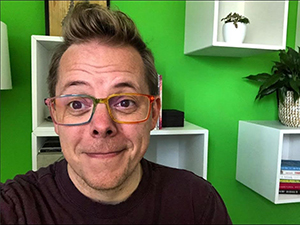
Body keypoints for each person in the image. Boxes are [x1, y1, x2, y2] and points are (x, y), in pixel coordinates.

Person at [0, 2, 232, 224]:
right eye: (77, 104)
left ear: (153, 114)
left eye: (124, 103)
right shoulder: (14, 208)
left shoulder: (198, 203)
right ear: (56, 117)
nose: (102, 125)